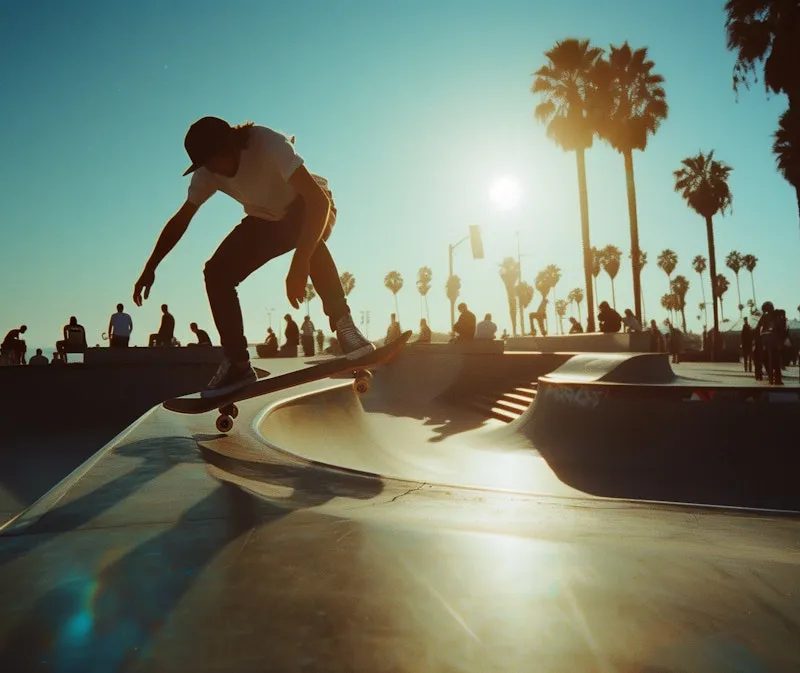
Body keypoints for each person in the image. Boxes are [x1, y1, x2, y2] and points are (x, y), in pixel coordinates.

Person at [133, 117, 372, 397]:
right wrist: (151, 267)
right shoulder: (208, 171)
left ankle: (345, 327)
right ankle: (237, 362)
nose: (211, 170)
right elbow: (181, 220)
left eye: (213, 161)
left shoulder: (268, 144)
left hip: (311, 205)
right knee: (216, 272)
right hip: (266, 221)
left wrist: (300, 262)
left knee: (308, 235)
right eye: (205, 165)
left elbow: (317, 201)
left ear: (231, 146)